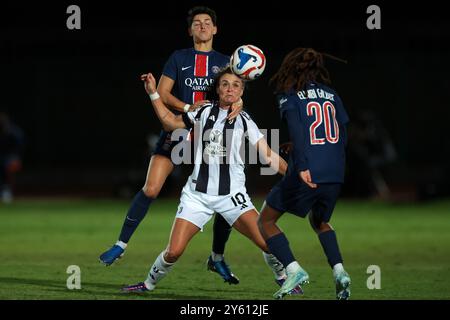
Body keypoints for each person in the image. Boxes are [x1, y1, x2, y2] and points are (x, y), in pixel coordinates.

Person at [120, 67, 299, 294]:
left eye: (235, 85)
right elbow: (170, 123)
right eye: (225, 84)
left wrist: (294, 177)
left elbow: (268, 156)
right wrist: (153, 93)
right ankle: (147, 285)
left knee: (267, 242)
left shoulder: (245, 120)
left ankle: (282, 278)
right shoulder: (203, 110)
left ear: (242, 90)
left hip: (232, 197)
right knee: (173, 252)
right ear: (217, 88)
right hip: (197, 196)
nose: (229, 89)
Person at [99, 6, 244, 285]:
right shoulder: (179, 57)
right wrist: (189, 106)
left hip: (212, 137)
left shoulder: (227, 61)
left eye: (207, 22)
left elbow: (238, 95)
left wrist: (238, 103)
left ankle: (216, 257)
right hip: (180, 130)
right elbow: (163, 93)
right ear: (190, 30)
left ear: (215, 29)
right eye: (197, 23)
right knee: (151, 188)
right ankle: (120, 245)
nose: (202, 26)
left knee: (226, 195)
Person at [257, 48, 352, 300]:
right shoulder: (332, 94)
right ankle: (340, 271)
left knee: (265, 221)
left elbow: (299, 131)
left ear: (291, 67)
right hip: (335, 172)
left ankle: (293, 269)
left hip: (308, 170)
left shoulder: (289, 94)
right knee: (319, 222)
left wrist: (304, 165)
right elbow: (342, 136)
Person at [0, 112, 24, 203]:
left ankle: (7, 190)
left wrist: (16, 159)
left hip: (10, 158)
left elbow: (19, 149)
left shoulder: (14, 132)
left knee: (9, 164)